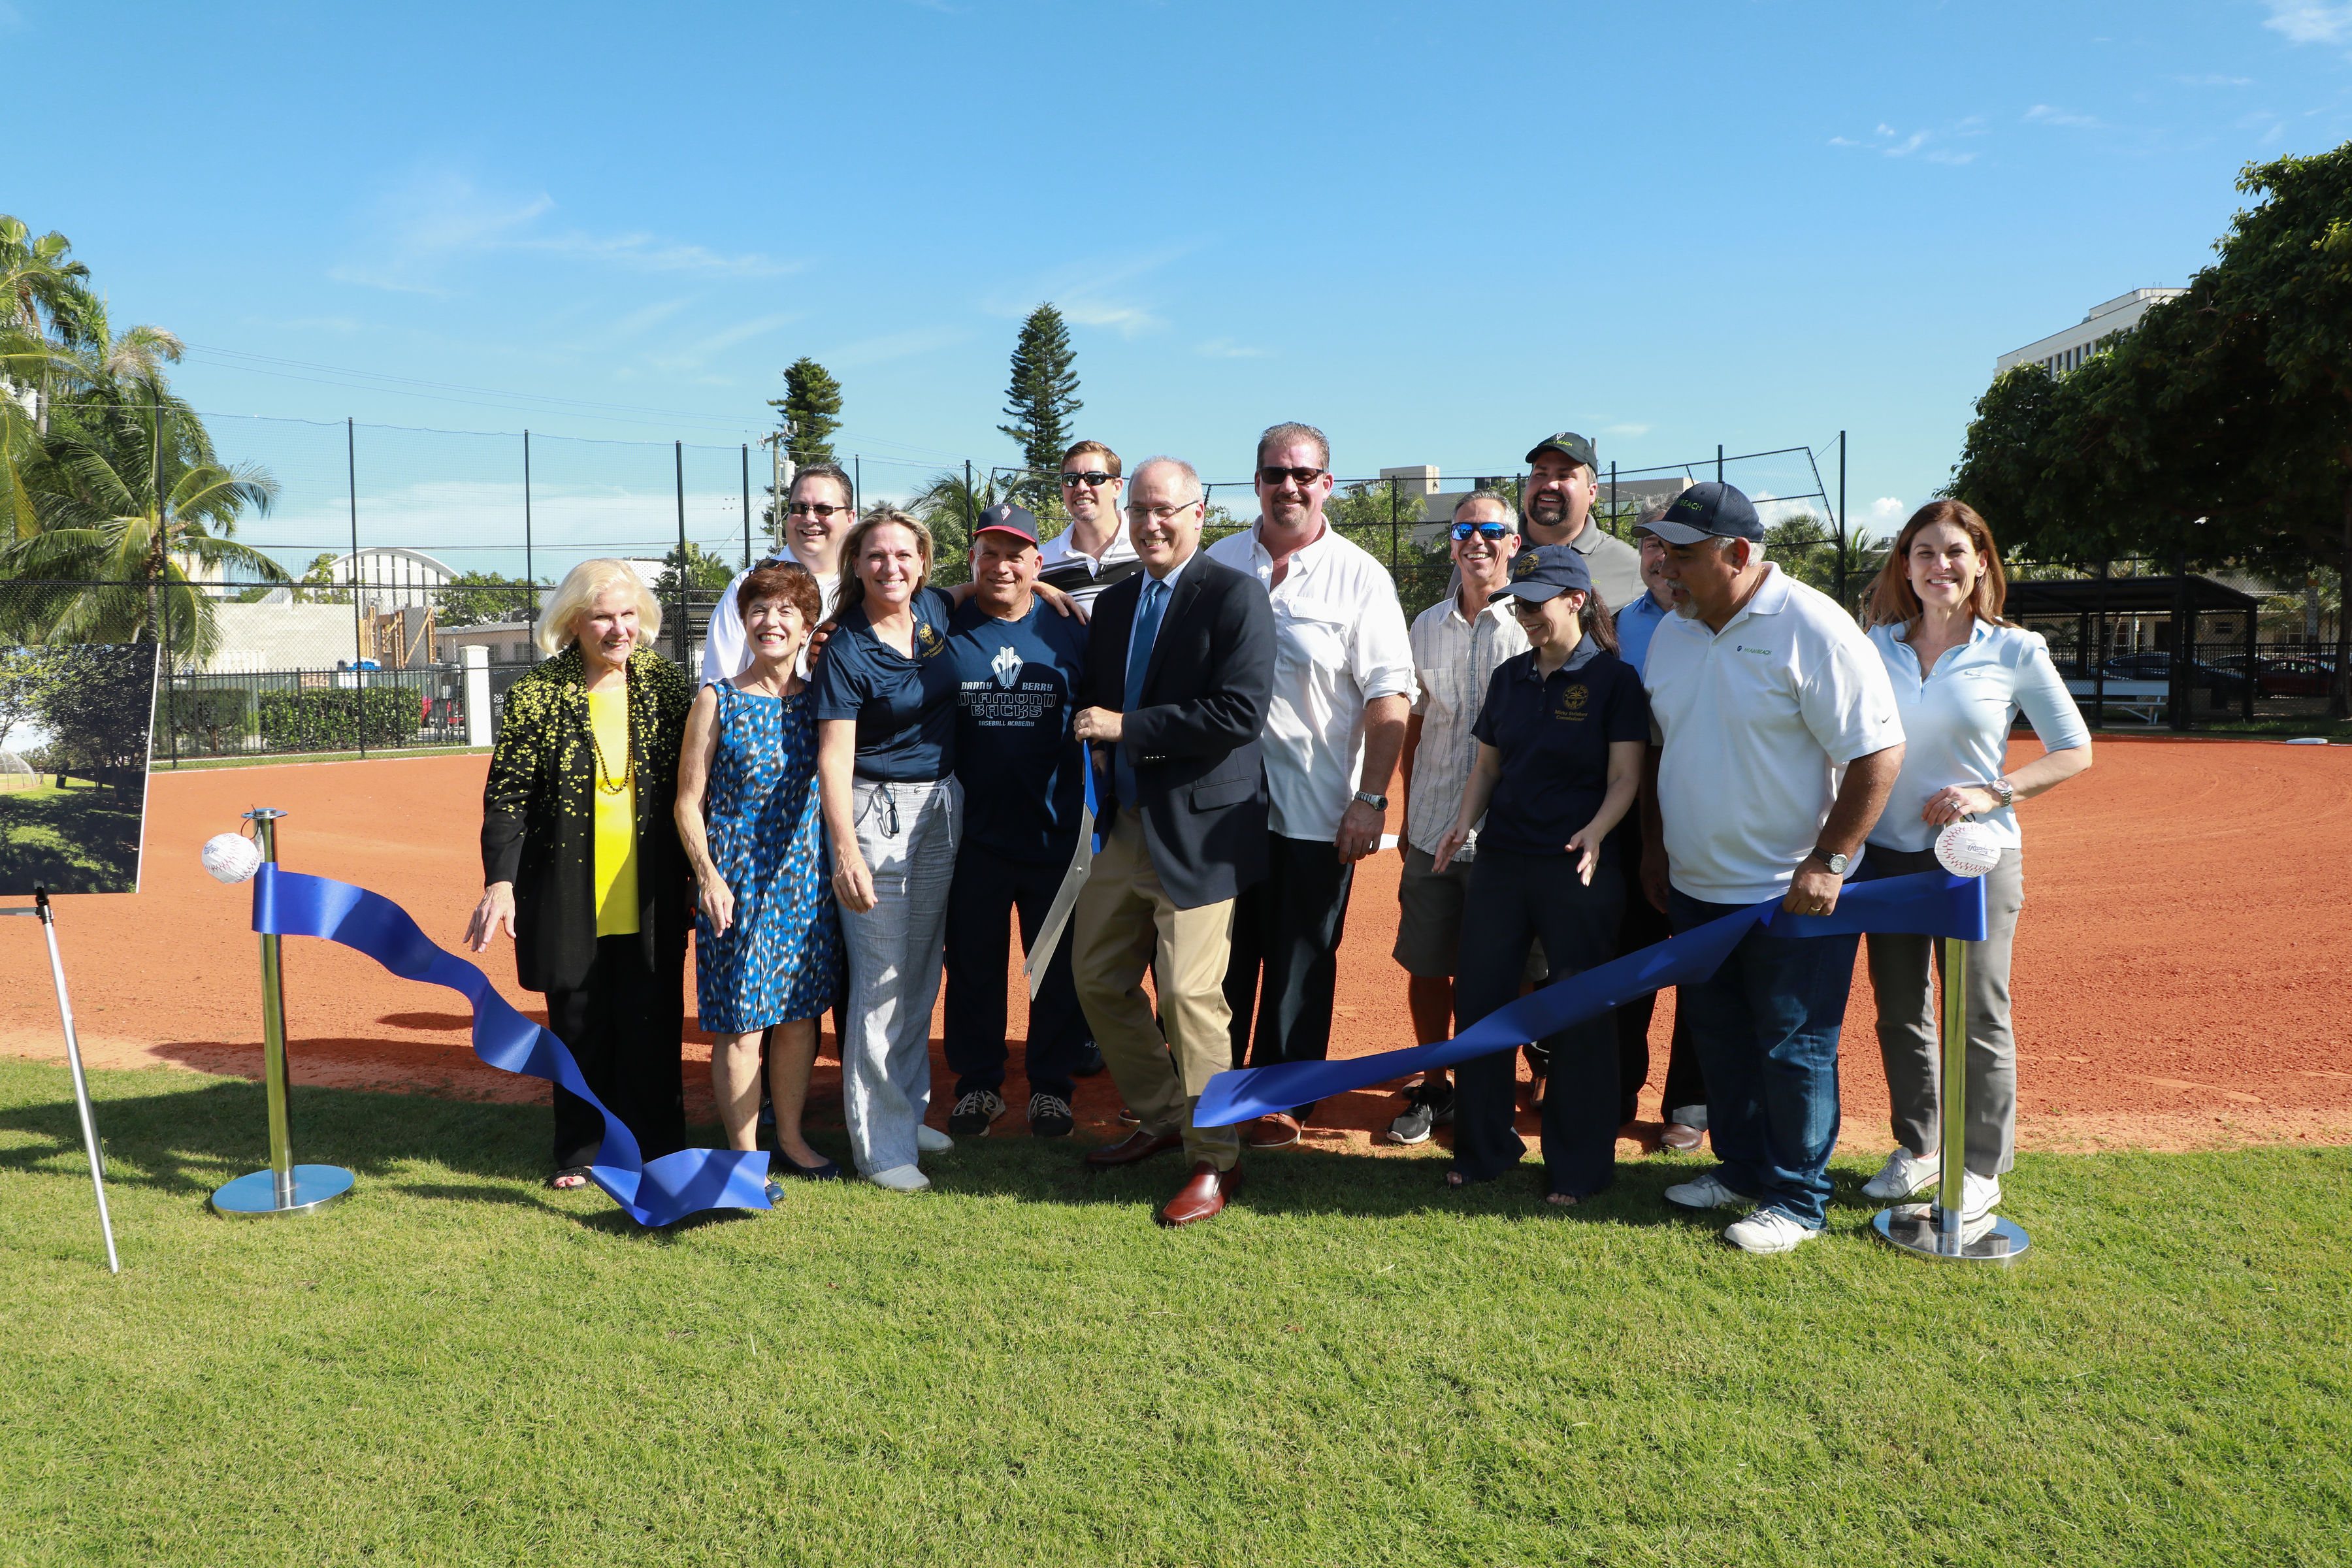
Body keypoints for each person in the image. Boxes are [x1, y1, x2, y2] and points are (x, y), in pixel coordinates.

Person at [1639, 482, 1906, 1254]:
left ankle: (1797, 1199)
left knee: (1795, 1045)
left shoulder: (1812, 625)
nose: (1666, 569)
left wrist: (1829, 860)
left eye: (1682, 556)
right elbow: (1664, 750)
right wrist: (1658, 848)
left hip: (1793, 892)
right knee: (1720, 1035)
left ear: (1738, 555)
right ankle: (1745, 1167)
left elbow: (1877, 752)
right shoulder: (1673, 632)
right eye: (1660, 552)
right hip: (1697, 887)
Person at [1855, 500, 2092, 1232]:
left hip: (1976, 859)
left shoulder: (2016, 650)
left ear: (1982, 562)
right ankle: (1920, 1146)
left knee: (1979, 1012)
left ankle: (1981, 1166)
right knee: (1900, 1010)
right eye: (1924, 553)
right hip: (1888, 856)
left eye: (1956, 552)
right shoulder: (1875, 644)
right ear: (1906, 565)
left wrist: (1996, 790)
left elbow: (2074, 749)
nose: (1940, 566)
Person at [1070, 456, 1276, 1227]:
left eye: (1167, 510)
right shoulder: (1119, 602)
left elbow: (1239, 714)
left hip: (1201, 831)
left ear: (1199, 513)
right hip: (1126, 825)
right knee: (1094, 978)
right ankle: (1162, 1115)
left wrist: (1129, 729)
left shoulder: (1235, 595)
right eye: (1142, 510)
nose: (1153, 523)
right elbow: (1095, 693)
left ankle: (1214, 1161)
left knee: (1190, 994)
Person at [1205, 421, 1415, 1150]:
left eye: (1302, 474)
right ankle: (1214, 1083)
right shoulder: (1220, 563)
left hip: (1318, 810)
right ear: (1255, 482)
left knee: (1300, 960)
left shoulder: (1360, 575)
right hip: (1223, 809)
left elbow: (1390, 697)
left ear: (1326, 484)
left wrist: (1372, 797)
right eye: (1273, 474)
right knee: (1220, 954)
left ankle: (1284, 1096)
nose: (1287, 486)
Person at [469, 559, 694, 1189]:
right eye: (602, 616)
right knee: (578, 1025)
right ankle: (582, 1150)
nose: (618, 629)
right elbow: (508, 795)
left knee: (652, 1023)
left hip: (650, 887)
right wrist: (501, 882)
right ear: (573, 622)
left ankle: (658, 1148)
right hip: (567, 891)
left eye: (627, 615)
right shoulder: (539, 694)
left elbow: (694, 784)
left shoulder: (665, 685)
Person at [1432, 546, 1648, 1201]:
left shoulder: (1615, 682)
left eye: (1537, 602)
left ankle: (1579, 1165)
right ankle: (1485, 1147)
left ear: (1577, 599)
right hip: (1502, 860)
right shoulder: (1509, 678)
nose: (1525, 613)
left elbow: (1626, 777)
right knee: (1480, 1002)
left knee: (1580, 1012)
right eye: (1519, 602)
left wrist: (1597, 831)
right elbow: (1487, 769)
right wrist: (1463, 824)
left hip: (1576, 866)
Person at [674, 560, 845, 1187]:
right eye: (758, 611)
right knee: (742, 1023)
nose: (770, 623)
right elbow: (686, 802)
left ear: (807, 628)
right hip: (737, 883)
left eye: (785, 613)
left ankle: (794, 1141)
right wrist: (709, 877)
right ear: (743, 621)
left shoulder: (823, 701)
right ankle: (744, 1160)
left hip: (804, 879)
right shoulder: (716, 698)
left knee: (800, 1017)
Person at [811, 508, 963, 1192]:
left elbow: (973, 592)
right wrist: (846, 849)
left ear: (923, 563)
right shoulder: (844, 646)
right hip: (877, 817)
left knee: (920, 970)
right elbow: (833, 757)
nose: (891, 567)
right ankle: (880, 1146)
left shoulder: (933, 609)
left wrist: (1045, 591)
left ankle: (906, 1111)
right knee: (879, 980)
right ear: (857, 565)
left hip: (942, 808)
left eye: (904, 555)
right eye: (876, 556)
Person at [939, 503, 1094, 1139]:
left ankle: (1051, 1088)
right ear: (972, 560)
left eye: (1016, 554)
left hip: (1055, 830)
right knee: (972, 966)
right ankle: (979, 1085)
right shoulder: (942, 621)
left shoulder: (1072, 627)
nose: (1001, 566)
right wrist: (950, 592)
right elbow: (882, 605)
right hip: (970, 835)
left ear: (1038, 561)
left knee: (1055, 966)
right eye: (989, 553)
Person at [1386, 488, 1531, 1145]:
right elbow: (1416, 728)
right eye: (1464, 529)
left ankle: (1499, 1084)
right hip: (1432, 828)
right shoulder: (1423, 626)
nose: (1477, 541)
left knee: (1515, 968)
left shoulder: (1535, 623)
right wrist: (1413, 809)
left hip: (1509, 837)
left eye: (1492, 530)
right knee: (1427, 963)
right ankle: (1437, 1085)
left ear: (1514, 544)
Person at [1611, 507, 1707, 1152]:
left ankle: (1689, 1105)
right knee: (1628, 963)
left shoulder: (1712, 621)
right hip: (1631, 813)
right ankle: (1617, 1087)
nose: (1658, 557)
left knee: (1700, 963)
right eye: (1648, 544)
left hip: (1705, 812)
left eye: (1670, 545)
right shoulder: (1621, 624)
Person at [704, 461, 858, 683]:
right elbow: (717, 685)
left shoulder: (865, 586)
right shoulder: (749, 584)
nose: (810, 518)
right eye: (799, 508)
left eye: (824, 509)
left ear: (850, 518)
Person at [1521, 431, 1644, 612]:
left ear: (1592, 492)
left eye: (1564, 476)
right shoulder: (1492, 551)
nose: (1549, 485)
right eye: (1540, 474)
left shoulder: (1632, 567)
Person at [1037, 439, 1143, 613]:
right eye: (1071, 480)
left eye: (1094, 478)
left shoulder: (1145, 548)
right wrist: (1037, 587)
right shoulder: (1043, 562)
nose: (1081, 487)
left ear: (1117, 487)